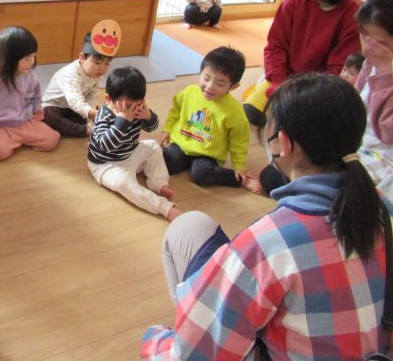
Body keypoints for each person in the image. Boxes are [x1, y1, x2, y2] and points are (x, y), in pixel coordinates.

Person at [141, 73, 392, 360]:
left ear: (283, 143)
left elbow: (189, 356)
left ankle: (191, 321)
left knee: (188, 226)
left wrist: (153, 340)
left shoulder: (269, 242)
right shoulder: (380, 206)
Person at [243, 0, 364, 125]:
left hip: (317, 87)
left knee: (299, 124)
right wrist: (279, 81)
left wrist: (309, 92)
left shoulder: (351, 14)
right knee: (253, 112)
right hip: (283, 77)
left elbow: (340, 65)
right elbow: (275, 47)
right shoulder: (293, 3)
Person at [161, 46, 260, 193]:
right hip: (182, 143)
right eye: (206, 78)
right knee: (167, 163)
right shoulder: (189, 92)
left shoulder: (234, 111)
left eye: (220, 84)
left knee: (200, 175)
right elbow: (175, 110)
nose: (209, 86)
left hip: (207, 154)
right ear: (200, 72)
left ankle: (238, 180)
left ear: (233, 86)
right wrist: (168, 129)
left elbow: (239, 140)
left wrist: (239, 166)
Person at [87, 66, 181, 221]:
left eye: (139, 103)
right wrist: (122, 121)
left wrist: (148, 116)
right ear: (109, 99)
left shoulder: (137, 108)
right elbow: (106, 146)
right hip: (106, 165)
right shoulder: (104, 115)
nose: (133, 110)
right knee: (122, 182)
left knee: (154, 146)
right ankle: (163, 207)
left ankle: (158, 182)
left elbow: (151, 127)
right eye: (129, 106)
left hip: (130, 152)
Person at [0, 26, 60, 160]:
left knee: (52, 140)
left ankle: (15, 140)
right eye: (27, 59)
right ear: (9, 59)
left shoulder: (30, 75)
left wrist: (37, 109)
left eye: (33, 56)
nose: (32, 62)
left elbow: (36, 97)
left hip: (24, 121)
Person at [354, 0, 393, 199]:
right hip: (359, 144)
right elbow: (355, 102)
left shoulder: (382, 60)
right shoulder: (374, 58)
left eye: (380, 42)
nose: (369, 47)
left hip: (385, 160)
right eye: (365, 35)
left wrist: (385, 71)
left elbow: (388, 133)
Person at [42, 28, 115, 137]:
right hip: (55, 105)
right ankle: (84, 130)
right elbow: (75, 102)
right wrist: (95, 115)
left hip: (73, 107)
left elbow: (92, 96)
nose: (102, 68)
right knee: (49, 116)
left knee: (94, 109)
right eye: (97, 62)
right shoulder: (71, 74)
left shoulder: (97, 74)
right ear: (82, 57)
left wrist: (90, 120)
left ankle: (80, 124)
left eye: (107, 64)